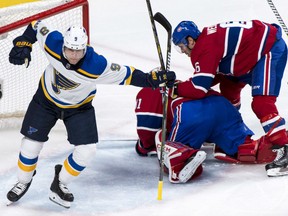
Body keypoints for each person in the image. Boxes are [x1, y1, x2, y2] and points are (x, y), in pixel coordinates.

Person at [6, 20, 176, 208]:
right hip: (45, 101)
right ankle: (23, 180)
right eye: (70, 49)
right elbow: (36, 25)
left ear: (85, 48)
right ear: (64, 45)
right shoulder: (52, 42)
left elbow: (129, 75)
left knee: (87, 151)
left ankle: (60, 182)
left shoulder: (96, 66)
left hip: (80, 108)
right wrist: (24, 42)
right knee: (30, 145)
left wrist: (153, 79)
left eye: (79, 50)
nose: (74, 55)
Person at [170, 20, 288, 177]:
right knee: (228, 89)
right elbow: (208, 79)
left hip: (269, 50)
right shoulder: (207, 39)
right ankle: (230, 131)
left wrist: (176, 88)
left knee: (262, 104)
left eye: (181, 46)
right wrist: (189, 85)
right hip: (249, 53)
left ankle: (284, 146)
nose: (182, 50)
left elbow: (199, 88)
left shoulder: (204, 48)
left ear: (190, 40)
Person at [135, 87, 277, 183]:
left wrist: (143, 147)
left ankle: (182, 156)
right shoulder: (180, 84)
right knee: (244, 147)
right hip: (222, 105)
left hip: (192, 115)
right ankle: (273, 143)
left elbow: (146, 127)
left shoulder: (147, 91)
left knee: (163, 139)